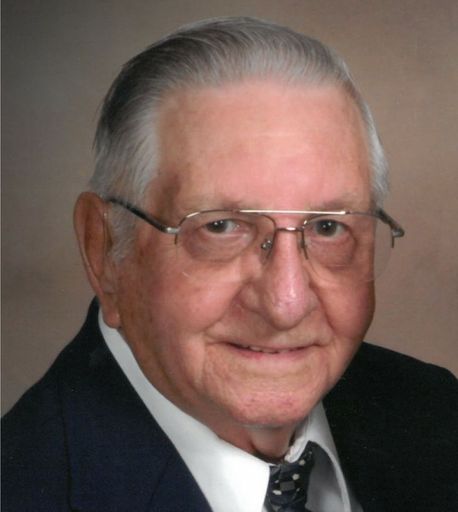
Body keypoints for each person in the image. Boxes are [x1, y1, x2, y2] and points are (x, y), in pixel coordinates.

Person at [2, 17, 457, 512]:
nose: (286, 304)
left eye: (328, 227)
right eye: (220, 227)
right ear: (105, 250)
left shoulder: (437, 418)